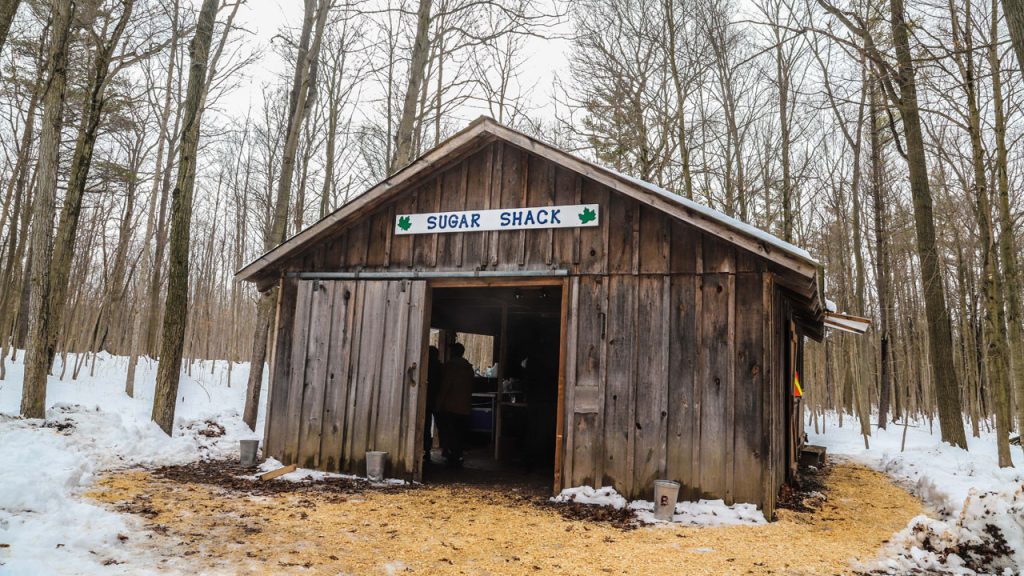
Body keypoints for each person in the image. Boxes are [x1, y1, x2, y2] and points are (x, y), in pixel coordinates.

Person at [435, 342, 474, 468]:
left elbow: (445, 386)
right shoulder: (468, 368)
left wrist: (439, 403)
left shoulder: (450, 367)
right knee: (459, 432)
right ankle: (458, 454)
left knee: (449, 432)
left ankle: (451, 455)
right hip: (464, 406)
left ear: (454, 352)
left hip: (450, 405)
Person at [422, 346, 442, 465]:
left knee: (425, 426)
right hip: (437, 400)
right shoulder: (439, 367)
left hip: (427, 400)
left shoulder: (426, 366)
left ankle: (426, 451)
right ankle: (429, 450)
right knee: (438, 426)